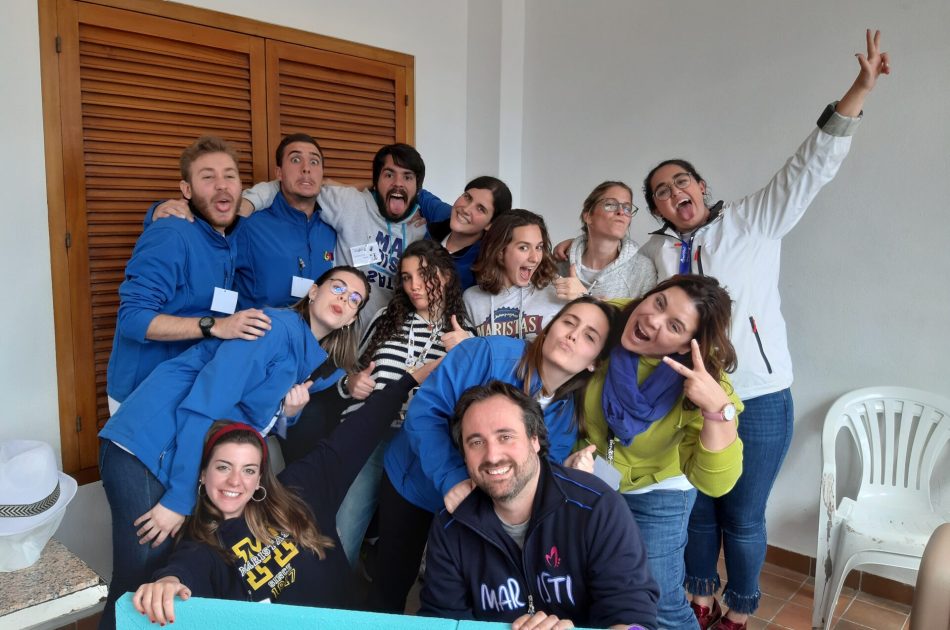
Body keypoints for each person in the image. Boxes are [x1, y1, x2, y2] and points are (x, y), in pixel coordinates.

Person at [636, 31, 890, 630]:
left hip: (759, 396)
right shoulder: (655, 252)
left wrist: (858, 90)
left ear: (701, 187)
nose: (675, 193)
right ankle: (699, 597)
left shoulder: (753, 219)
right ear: (659, 210)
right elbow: (622, 289)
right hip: (689, 396)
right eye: (662, 193)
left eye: (682, 181)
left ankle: (739, 607)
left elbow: (810, 166)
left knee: (743, 517)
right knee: (698, 509)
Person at [97, 267, 369, 629]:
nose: (344, 298)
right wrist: (180, 499)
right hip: (147, 447)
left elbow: (256, 419)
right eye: (338, 287)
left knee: (157, 585)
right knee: (139, 587)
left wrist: (295, 412)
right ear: (314, 292)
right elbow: (202, 408)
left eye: (354, 299)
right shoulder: (273, 329)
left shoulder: (310, 360)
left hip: (175, 454)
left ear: (351, 318)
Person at [131, 360, 441, 625]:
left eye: (248, 470)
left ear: (259, 477)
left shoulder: (299, 489)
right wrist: (167, 582)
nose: (235, 481)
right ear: (202, 474)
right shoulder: (203, 543)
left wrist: (410, 380)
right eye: (223, 467)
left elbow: (358, 430)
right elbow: (185, 569)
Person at [370, 296, 617, 613]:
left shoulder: (567, 416)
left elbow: (535, 473)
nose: (572, 335)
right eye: (569, 322)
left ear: (594, 362)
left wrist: (564, 473)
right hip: (414, 484)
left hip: (478, 508)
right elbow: (423, 414)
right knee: (392, 583)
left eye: (589, 336)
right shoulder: (485, 353)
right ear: (550, 327)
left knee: (455, 594)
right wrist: (452, 479)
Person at [420, 381, 659, 630]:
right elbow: (441, 621)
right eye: (476, 442)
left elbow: (633, 617)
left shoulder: (598, 507)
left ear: (534, 439)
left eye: (505, 437)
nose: (492, 456)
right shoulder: (451, 525)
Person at [577, 274, 744, 630]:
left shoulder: (702, 381)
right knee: (592, 586)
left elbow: (717, 483)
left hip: (657, 492)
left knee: (659, 600)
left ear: (687, 346)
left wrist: (717, 409)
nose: (652, 320)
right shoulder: (610, 320)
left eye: (674, 326)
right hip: (590, 476)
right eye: (658, 302)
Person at [106, 135, 271, 411]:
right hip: (144, 394)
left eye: (229, 176)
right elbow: (133, 319)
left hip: (188, 386)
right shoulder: (171, 233)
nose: (222, 185)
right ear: (187, 189)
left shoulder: (227, 234)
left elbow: (276, 191)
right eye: (208, 177)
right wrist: (215, 326)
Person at [333, 239, 473, 565]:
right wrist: (350, 383)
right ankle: (333, 593)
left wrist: (466, 350)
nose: (414, 286)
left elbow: (469, 400)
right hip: (370, 434)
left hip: (420, 445)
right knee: (343, 531)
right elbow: (352, 371)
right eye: (407, 277)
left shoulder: (463, 334)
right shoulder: (387, 318)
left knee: (399, 549)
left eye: (424, 275)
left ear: (446, 276)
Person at [243, 143, 452, 330]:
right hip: (341, 334)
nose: (398, 183)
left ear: (417, 188)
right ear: (376, 181)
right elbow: (297, 184)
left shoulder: (421, 230)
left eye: (407, 177)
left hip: (388, 339)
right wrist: (250, 201)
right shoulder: (350, 203)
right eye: (389, 175)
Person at [463, 209, 563, 340]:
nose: (535, 258)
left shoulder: (557, 289)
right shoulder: (472, 298)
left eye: (539, 247)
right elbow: (469, 349)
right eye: (523, 247)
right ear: (499, 251)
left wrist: (583, 296)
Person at [553, 181, 657, 300]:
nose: (621, 212)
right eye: (611, 205)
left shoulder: (643, 270)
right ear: (588, 216)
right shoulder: (559, 264)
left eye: (627, 208)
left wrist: (583, 297)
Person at [426, 176, 512, 291]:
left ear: (490, 224)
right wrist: (413, 210)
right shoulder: (443, 214)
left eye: (480, 209)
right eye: (467, 197)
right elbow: (416, 192)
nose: (466, 209)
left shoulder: (481, 269)